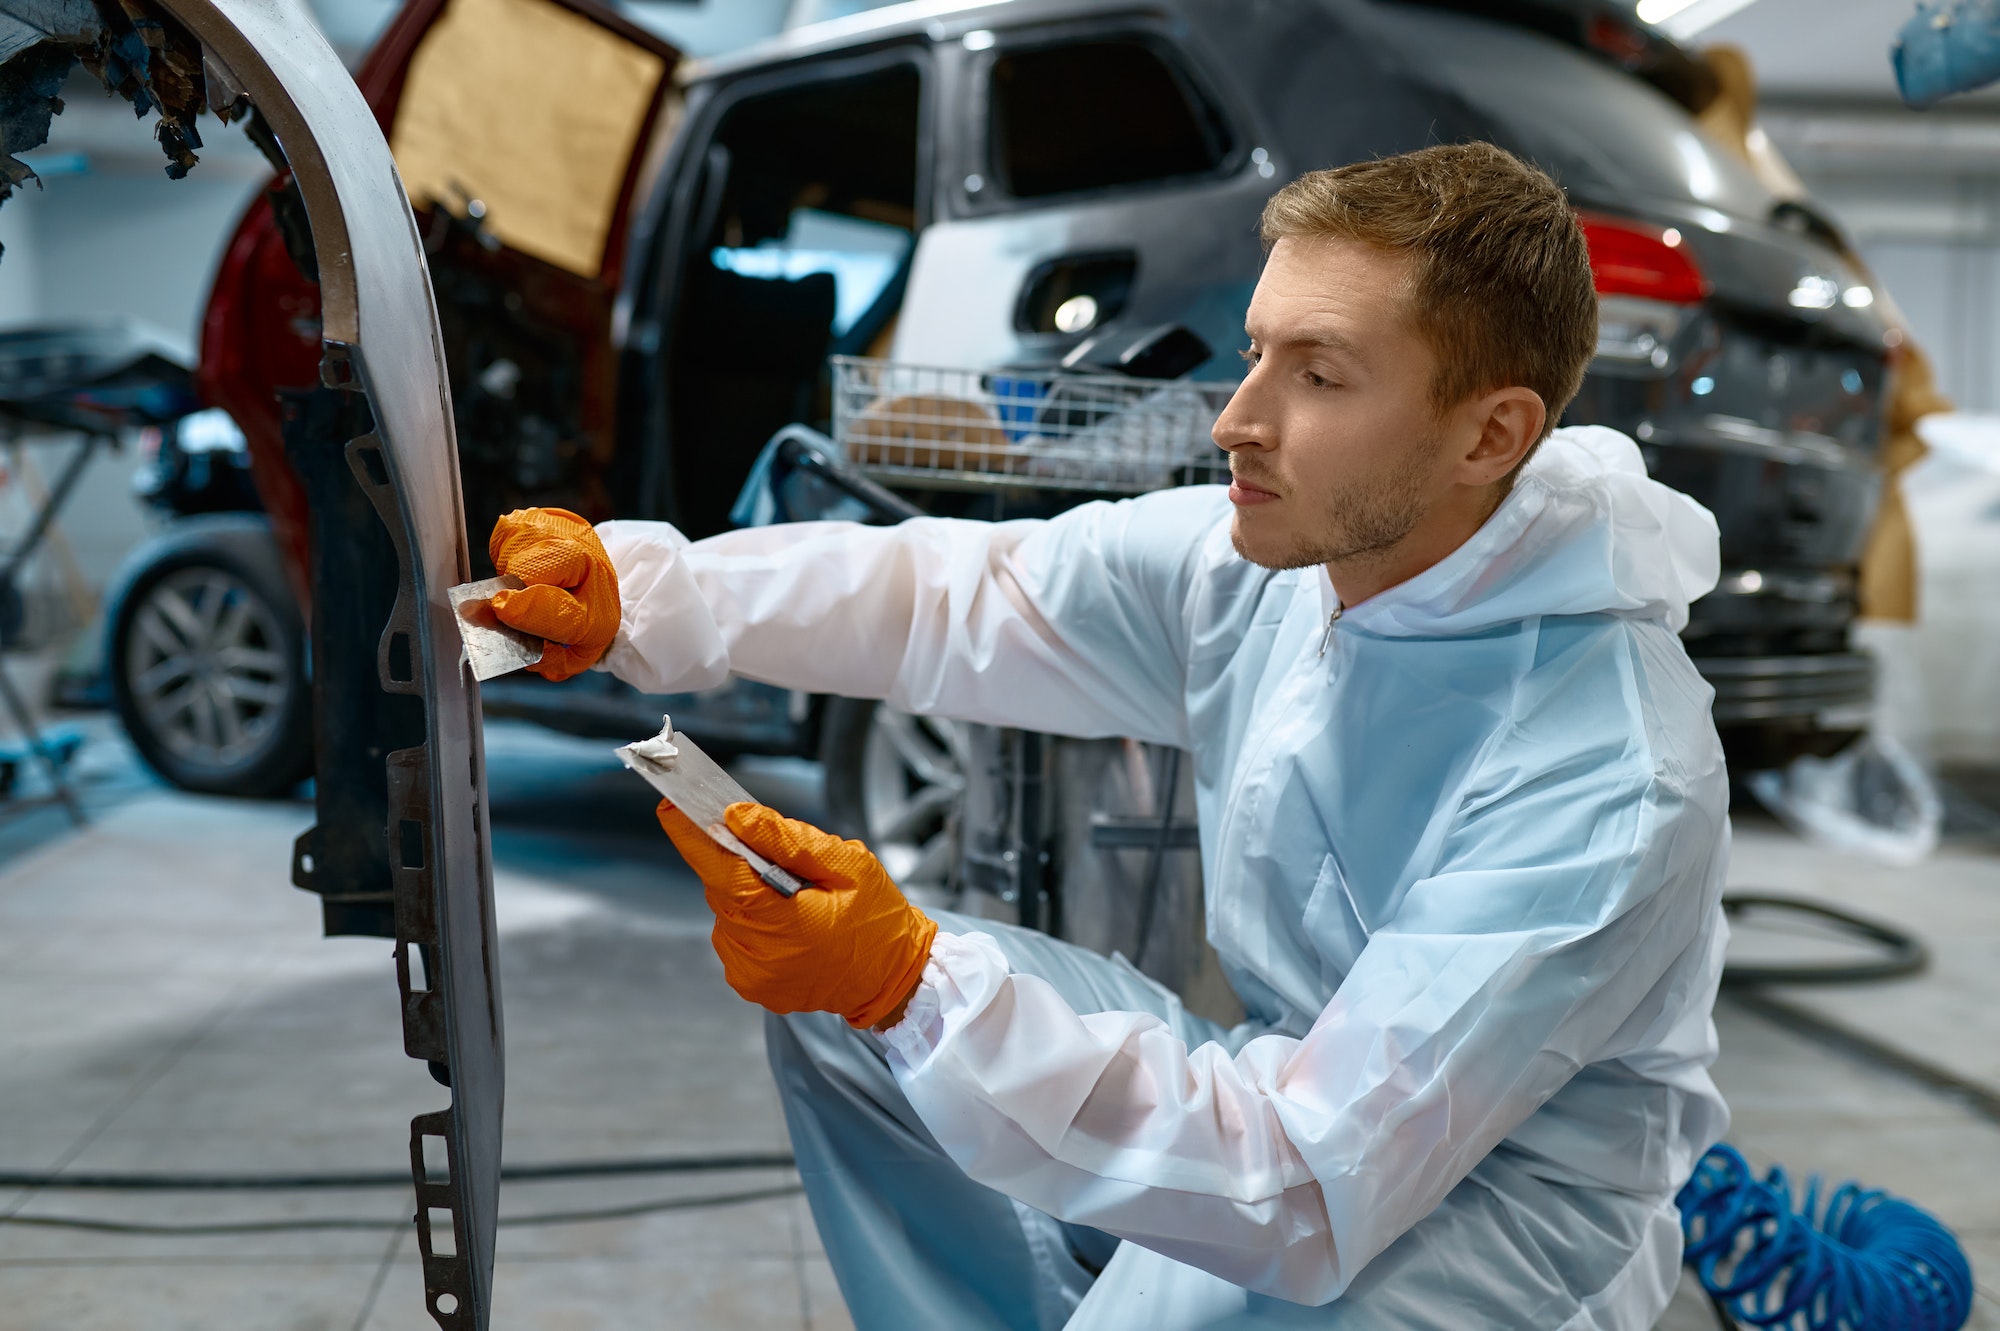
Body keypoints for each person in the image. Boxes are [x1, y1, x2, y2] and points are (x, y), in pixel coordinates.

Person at [484, 142, 1731, 1330]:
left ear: (1489, 434)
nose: (1235, 418)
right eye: (1255, 351)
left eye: (1318, 374)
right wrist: (647, 596)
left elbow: (1304, 1178)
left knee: (928, 1015)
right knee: (847, 1018)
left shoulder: (1606, 771)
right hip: (1302, 1089)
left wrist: (915, 983)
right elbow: (966, 595)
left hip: (1496, 1211)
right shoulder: (1288, 563)